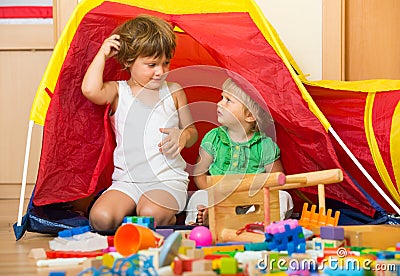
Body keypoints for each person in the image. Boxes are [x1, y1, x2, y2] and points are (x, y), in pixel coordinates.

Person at [81, 15, 198, 231]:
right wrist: (102, 54)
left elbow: (192, 132)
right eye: (151, 64)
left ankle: (167, 215)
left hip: (167, 180)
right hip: (127, 182)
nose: (160, 71)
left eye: (165, 63)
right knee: (101, 219)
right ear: (128, 61)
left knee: (151, 213)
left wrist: (183, 135)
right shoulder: (118, 92)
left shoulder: (173, 92)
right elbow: (89, 90)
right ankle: (137, 212)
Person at [185, 78, 293, 225]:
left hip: (253, 202)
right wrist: (215, 193)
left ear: (249, 116)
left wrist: (254, 196)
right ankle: (200, 221)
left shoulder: (264, 145)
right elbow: (199, 173)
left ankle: (257, 222)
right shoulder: (213, 138)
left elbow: (277, 180)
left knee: (283, 197)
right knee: (198, 196)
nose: (219, 103)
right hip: (219, 199)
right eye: (222, 97)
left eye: (228, 100)